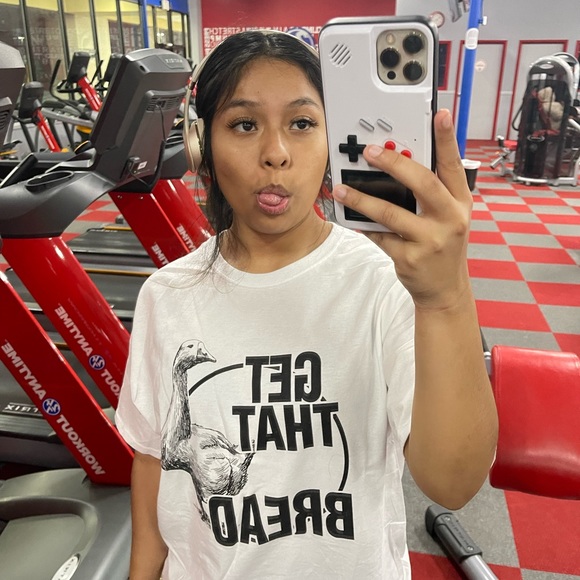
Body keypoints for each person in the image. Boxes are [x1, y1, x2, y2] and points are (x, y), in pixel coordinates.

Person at [116, 30, 498, 580]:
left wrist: (446, 299)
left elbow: (453, 484)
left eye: (301, 123)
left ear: (330, 139)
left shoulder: (384, 280)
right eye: (244, 125)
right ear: (202, 147)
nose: (276, 153)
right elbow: (154, 459)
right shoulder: (167, 295)